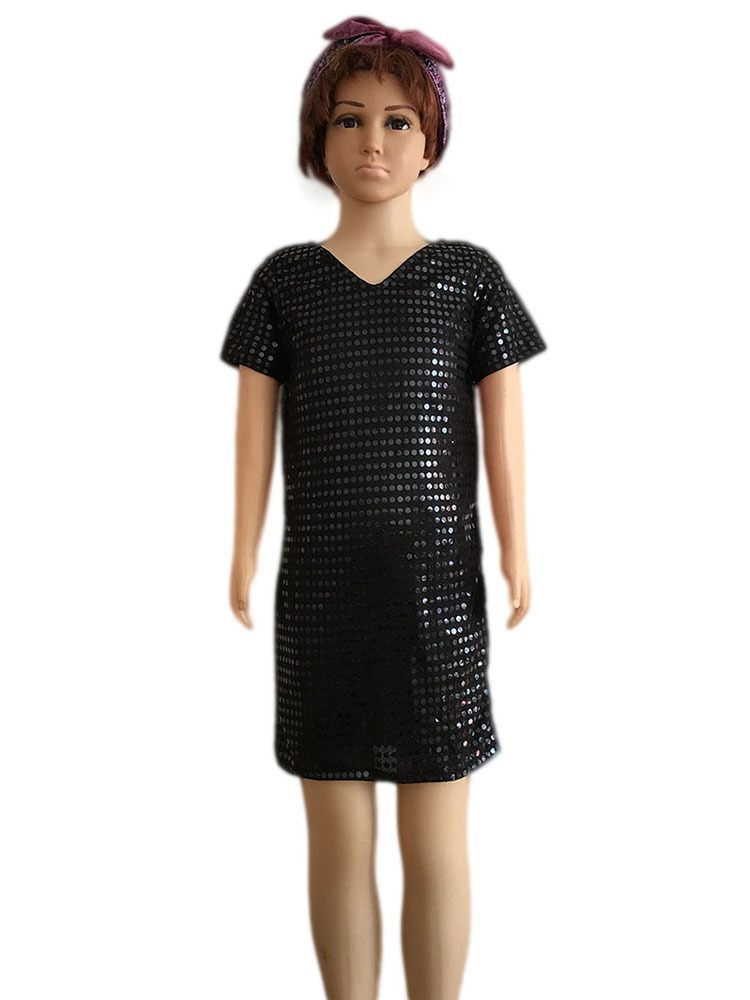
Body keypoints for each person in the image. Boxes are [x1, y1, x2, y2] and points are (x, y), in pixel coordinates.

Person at [220, 16, 547, 1000]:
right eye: (350, 119)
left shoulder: (468, 279)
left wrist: (518, 549)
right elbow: (253, 432)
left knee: (438, 842)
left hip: (435, 599)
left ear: (431, 141)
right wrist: (241, 549)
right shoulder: (284, 283)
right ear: (316, 138)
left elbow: (504, 430)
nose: (374, 141)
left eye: (398, 121)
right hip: (321, 601)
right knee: (336, 841)